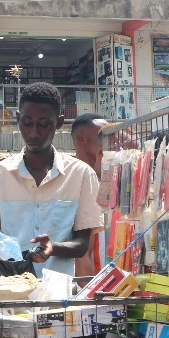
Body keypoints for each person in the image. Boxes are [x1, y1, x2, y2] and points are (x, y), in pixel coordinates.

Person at [0, 82, 102, 277]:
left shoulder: (81, 175)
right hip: (9, 295)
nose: (33, 133)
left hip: (58, 296)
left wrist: (52, 247)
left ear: (58, 122)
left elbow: (82, 244)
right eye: (27, 123)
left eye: (43, 124)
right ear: (18, 119)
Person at [70, 113, 107, 277]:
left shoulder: (109, 181)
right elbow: (83, 253)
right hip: (91, 289)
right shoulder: (71, 182)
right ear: (81, 139)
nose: (107, 142)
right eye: (101, 136)